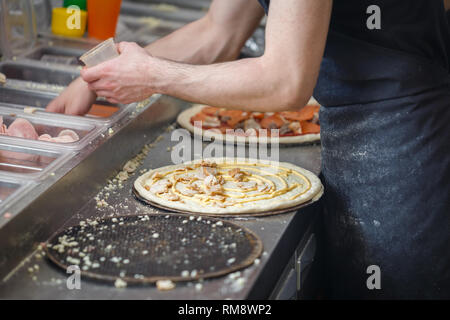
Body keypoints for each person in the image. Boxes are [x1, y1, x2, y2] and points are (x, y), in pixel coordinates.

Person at [47, 0, 450, 299]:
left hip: (405, 141)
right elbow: (218, 32)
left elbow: (285, 82)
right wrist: (100, 73)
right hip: (354, 124)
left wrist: (153, 75)